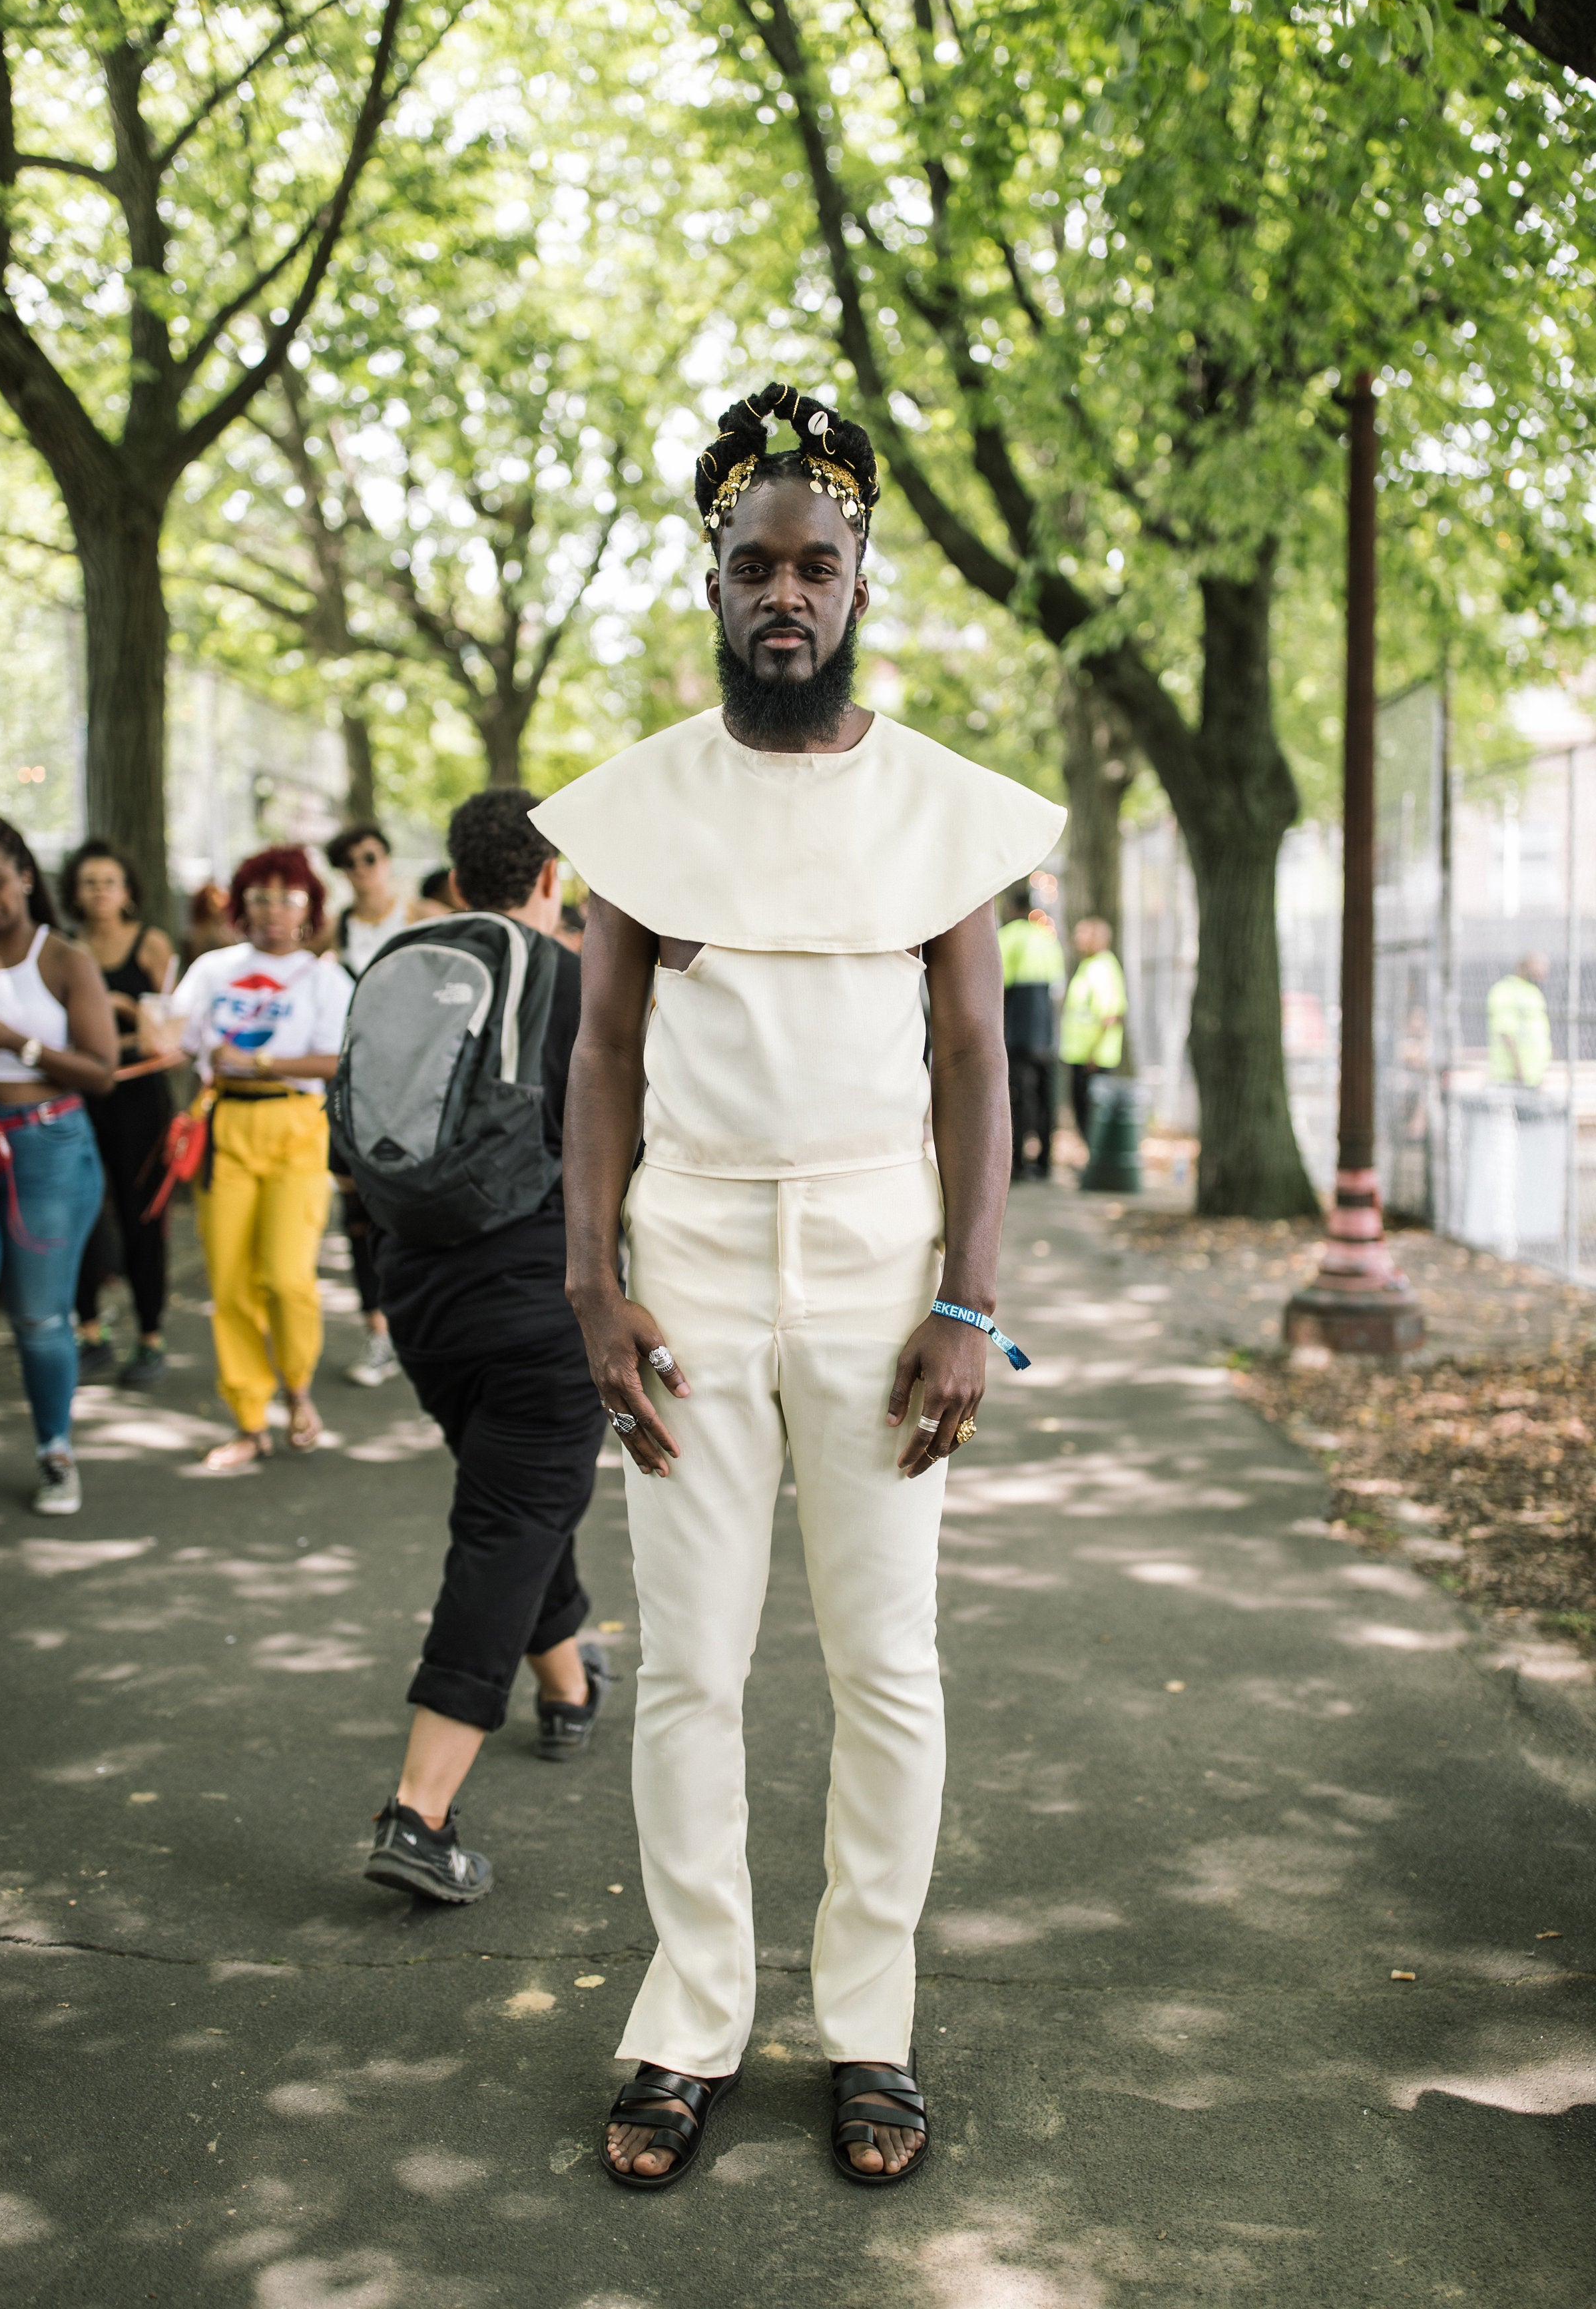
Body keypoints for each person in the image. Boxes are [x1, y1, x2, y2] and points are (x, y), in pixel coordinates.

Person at [535, 384, 1061, 2190]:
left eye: (813, 564)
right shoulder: (640, 809)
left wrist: (972, 1299)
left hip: (877, 1262)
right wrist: (591, 1285)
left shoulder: (938, 810)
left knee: (888, 1669)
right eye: (752, 564)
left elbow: (978, 1058)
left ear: (856, 584)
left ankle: (872, 2031)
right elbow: (602, 1053)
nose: (783, 591)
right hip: (682, 1257)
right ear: (715, 584)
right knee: (688, 1666)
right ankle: (687, 2023)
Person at [362, 790, 610, 1904]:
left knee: (515, 1497)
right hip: (538, 1299)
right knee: (510, 1517)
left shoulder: (406, 968)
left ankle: (569, 1689)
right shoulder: (575, 982)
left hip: (419, 1296)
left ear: (457, 881)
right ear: (550, 875)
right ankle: (419, 1815)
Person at [148, 848, 353, 1469]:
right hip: (225, 1126)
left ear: (309, 907)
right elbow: (169, 1038)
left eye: (288, 898)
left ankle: (297, 1389)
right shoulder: (213, 969)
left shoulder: (325, 978)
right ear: (241, 905)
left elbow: (338, 1061)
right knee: (231, 1280)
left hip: (296, 1124)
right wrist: (150, 1014)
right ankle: (247, 1419)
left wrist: (260, 1061)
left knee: (287, 1277)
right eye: (260, 897)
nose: (274, 911)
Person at [0, 818, 117, 1514]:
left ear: (21, 876)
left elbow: (102, 1072)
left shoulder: (63, 959)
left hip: (46, 1145)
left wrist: (18, 1043)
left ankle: (55, 1452)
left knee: (39, 1316)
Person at [61, 840, 176, 1388]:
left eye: (109, 881)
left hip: (138, 1096)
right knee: (75, 1212)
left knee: (141, 1214)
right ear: (75, 893)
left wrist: (121, 1010)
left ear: (128, 890)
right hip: (78, 1093)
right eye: (89, 882)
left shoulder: (150, 945)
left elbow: (170, 1034)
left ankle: (150, 1337)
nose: (100, 891)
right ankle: (89, 1331)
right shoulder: (64, 949)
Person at [324, 825, 406, 1388]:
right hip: (353, 1084)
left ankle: (415, 1321)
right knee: (356, 1212)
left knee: (407, 1201)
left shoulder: (422, 914)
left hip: (413, 1084)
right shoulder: (332, 932)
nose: (362, 869)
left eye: (370, 857)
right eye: (350, 862)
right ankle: (378, 1330)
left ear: (387, 858)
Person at [997, 890, 1065, 1180]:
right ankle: (1046, 1162)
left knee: (1017, 1097)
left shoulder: (1007, 936)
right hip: (1045, 1031)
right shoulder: (1046, 937)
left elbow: (997, 985)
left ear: (1012, 908)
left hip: (1017, 1028)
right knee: (1044, 1097)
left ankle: (1018, 1164)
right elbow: (1058, 987)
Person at [1059, 915, 1127, 1143]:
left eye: (1083, 934)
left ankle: (1097, 1165)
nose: (1076, 938)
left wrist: (1094, 1054)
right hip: (1080, 1055)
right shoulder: (1088, 966)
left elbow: (1110, 1015)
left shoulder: (1103, 967)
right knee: (1082, 1114)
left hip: (1094, 1059)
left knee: (1092, 1116)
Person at [1487, 953, 1552, 1089]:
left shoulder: (1534, 992)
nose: (1541, 974)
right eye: (1537, 970)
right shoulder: (1505, 991)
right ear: (1523, 968)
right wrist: (1518, 1070)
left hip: (1533, 1078)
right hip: (1512, 1078)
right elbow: (1505, 1032)